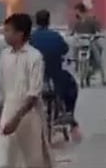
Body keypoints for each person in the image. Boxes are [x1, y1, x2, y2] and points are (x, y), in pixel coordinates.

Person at [0, 13, 52, 168]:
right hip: (7, 113)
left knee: (31, 160)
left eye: (8, 31)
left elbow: (34, 94)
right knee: (6, 160)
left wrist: (16, 119)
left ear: (20, 34)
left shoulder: (34, 57)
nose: (5, 34)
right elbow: (1, 90)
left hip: (29, 116)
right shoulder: (4, 55)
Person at [29, 9, 82, 142]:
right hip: (55, 76)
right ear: (49, 21)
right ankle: (69, 114)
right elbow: (65, 50)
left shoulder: (30, 38)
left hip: (34, 77)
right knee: (72, 88)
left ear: (36, 22)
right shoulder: (55, 36)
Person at [71, 2, 106, 86]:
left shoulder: (91, 19)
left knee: (98, 56)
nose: (75, 13)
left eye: (76, 11)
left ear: (79, 10)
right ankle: (76, 64)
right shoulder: (77, 22)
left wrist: (97, 35)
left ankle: (103, 78)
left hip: (91, 41)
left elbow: (98, 30)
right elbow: (73, 32)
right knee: (74, 49)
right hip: (80, 42)